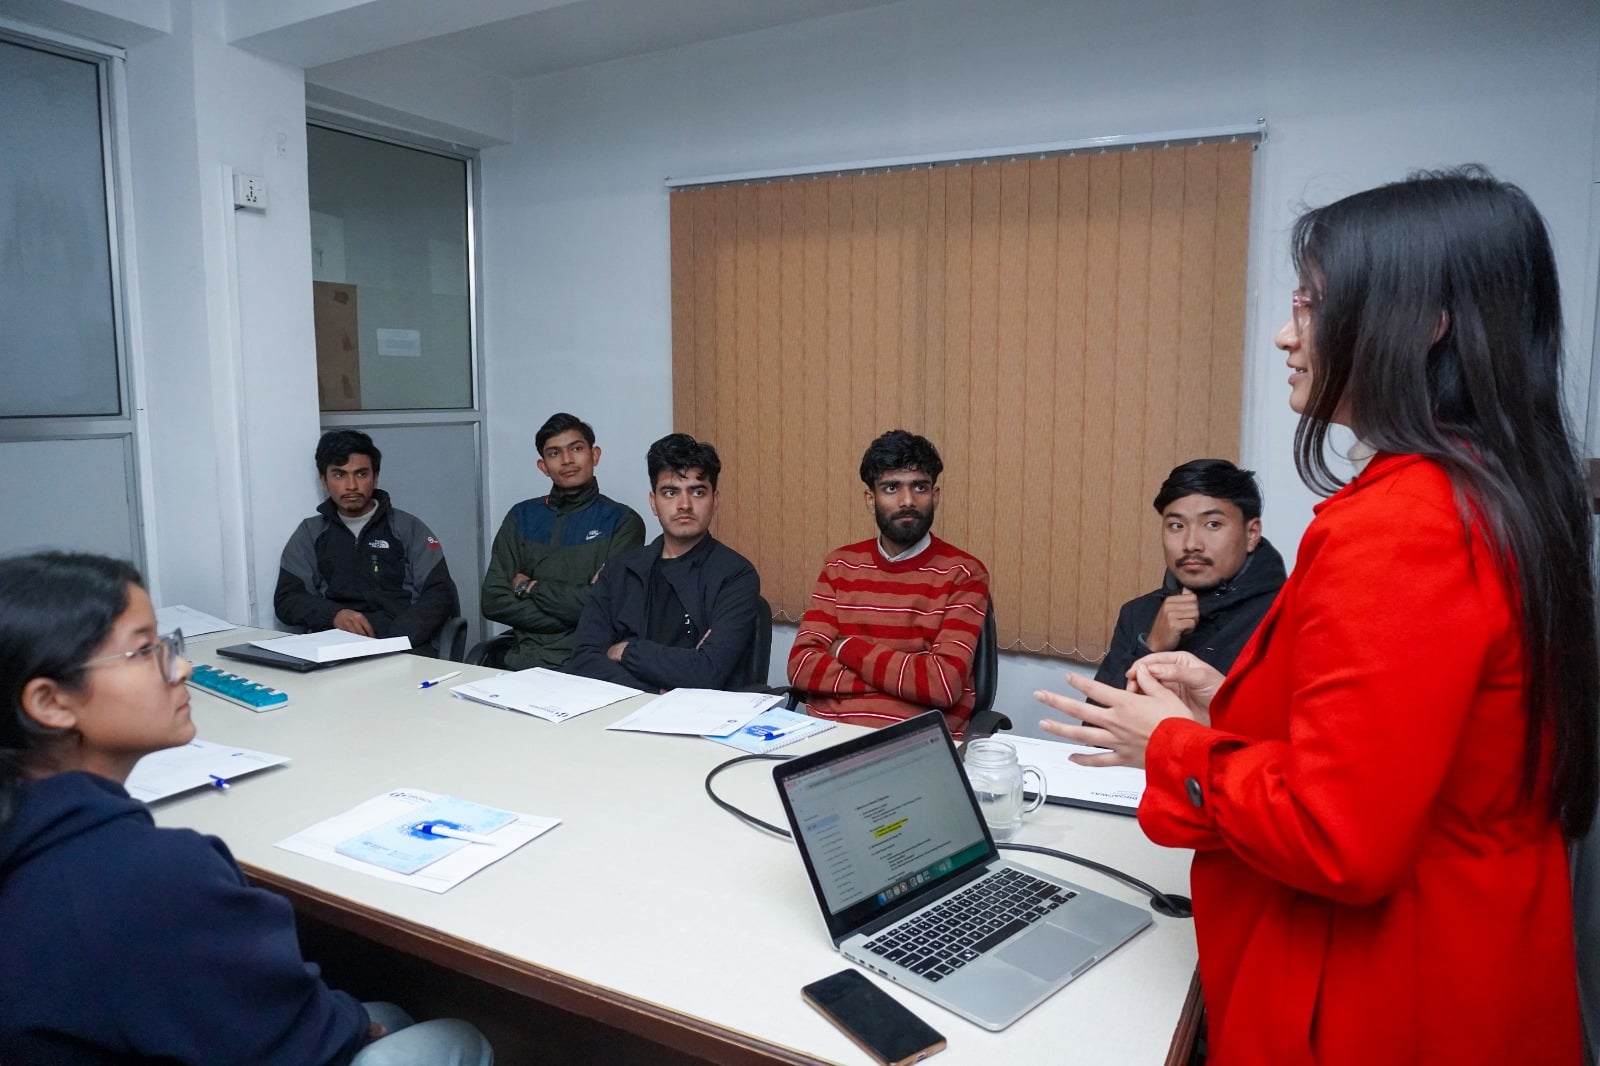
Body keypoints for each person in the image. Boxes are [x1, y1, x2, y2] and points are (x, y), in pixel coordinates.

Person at [1036, 168, 1596, 1065]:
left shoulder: (1403, 522)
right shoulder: (1496, 493)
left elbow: (1338, 835)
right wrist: (1226, 705)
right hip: (1479, 961)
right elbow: (1407, 750)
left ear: (1422, 322)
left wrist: (1172, 744)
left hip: (1387, 994)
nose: (1284, 333)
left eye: (1311, 304)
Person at [0, 551, 494, 1065]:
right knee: (454, 1037)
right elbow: (298, 1039)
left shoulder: (29, 825)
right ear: (50, 702)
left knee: (387, 1014)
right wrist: (355, 1026)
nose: (182, 666)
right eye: (145, 651)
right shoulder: (149, 874)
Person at [788, 430, 990, 737]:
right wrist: (905, 681)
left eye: (920, 487)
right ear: (871, 500)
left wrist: (845, 648)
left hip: (918, 741)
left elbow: (942, 684)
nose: (907, 501)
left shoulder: (964, 573)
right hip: (830, 736)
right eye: (891, 487)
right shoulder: (840, 566)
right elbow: (802, 667)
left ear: (935, 496)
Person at [568, 433, 761, 691]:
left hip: (700, 712)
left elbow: (706, 672)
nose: (684, 505)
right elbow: (583, 660)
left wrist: (627, 650)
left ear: (715, 501)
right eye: (670, 492)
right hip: (623, 709)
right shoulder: (621, 569)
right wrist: (652, 691)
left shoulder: (735, 574)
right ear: (653, 503)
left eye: (698, 492)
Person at [1092, 459, 1285, 689]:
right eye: (1177, 526)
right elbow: (1095, 711)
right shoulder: (1137, 614)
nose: (1191, 544)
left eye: (1212, 524)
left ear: (1252, 533)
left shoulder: (1284, 616)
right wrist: (1150, 648)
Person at [481, 413, 646, 670]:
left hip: (589, 667)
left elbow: (607, 607)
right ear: (543, 466)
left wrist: (530, 588)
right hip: (520, 663)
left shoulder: (623, 522)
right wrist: (577, 611)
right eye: (554, 453)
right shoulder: (521, 517)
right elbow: (493, 600)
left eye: (576, 449)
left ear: (595, 455)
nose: (567, 460)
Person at [274, 430, 459, 654]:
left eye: (361, 474)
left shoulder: (408, 528)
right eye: (339, 475)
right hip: (334, 648)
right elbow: (287, 599)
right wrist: (334, 615)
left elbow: (440, 594)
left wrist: (394, 640)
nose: (351, 485)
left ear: (376, 477)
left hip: (402, 646)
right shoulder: (310, 533)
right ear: (324, 481)